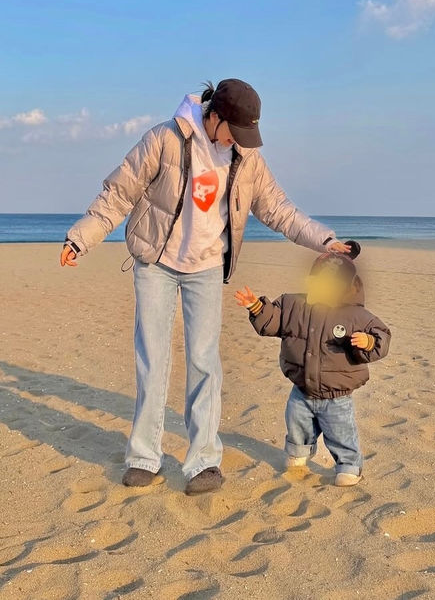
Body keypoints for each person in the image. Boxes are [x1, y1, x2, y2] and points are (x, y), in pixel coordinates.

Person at [60, 79, 351, 495]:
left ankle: (203, 463)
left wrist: (326, 240)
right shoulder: (165, 139)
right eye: (234, 130)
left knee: (203, 361)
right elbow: (118, 192)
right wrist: (81, 237)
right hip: (156, 262)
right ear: (214, 116)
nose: (238, 141)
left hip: (207, 266)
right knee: (153, 358)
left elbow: (279, 210)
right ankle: (144, 457)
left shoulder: (245, 157)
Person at [234, 240, 390, 486]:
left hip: (337, 395)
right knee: (297, 425)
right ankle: (298, 455)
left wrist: (368, 342)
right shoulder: (294, 304)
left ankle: (349, 465)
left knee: (341, 432)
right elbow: (274, 321)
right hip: (301, 389)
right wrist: (257, 307)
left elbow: (382, 336)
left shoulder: (356, 315)